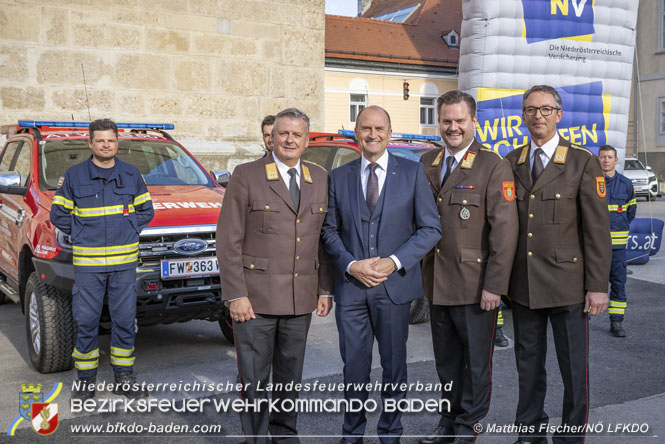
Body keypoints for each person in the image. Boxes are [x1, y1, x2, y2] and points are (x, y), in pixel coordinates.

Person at [322, 105, 441, 444]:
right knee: (354, 369)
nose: (372, 134)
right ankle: (352, 435)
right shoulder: (340, 177)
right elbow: (329, 231)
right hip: (352, 290)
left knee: (394, 368)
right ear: (355, 133)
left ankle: (390, 434)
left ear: (389, 133)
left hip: (395, 289)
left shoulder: (412, 173)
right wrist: (350, 264)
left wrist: (394, 261)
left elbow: (431, 229)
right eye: (365, 128)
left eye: (379, 128)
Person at [216, 108, 333, 444]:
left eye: (297, 134)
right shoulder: (247, 175)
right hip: (255, 300)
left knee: (289, 377)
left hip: (300, 299)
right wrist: (236, 295)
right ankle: (254, 438)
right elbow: (228, 240)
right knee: (254, 377)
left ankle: (284, 436)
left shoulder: (319, 177)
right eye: (284, 133)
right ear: (272, 137)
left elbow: (323, 240)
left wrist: (325, 289)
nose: (290, 140)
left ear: (307, 140)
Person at [504, 85, 611, 444]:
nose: (538, 116)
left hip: (568, 286)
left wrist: (597, 286)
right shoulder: (512, 160)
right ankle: (529, 434)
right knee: (528, 369)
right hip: (524, 288)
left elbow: (597, 231)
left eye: (546, 109)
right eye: (531, 109)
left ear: (559, 115)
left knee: (573, 371)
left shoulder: (581, 161)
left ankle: (570, 437)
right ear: (522, 115)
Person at [419, 90, 518, 444]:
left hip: (477, 286)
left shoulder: (493, 165)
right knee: (446, 364)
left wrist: (496, 286)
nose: (453, 127)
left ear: (473, 121)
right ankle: (447, 424)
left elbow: (505, 232)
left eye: (460, 120)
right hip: (437, 284)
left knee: (476, 366)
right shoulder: (427, 162)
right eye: (446, 120)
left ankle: (468, 429)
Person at [50, 118, 154, 400]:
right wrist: (82, 231)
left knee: (124, 319)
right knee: (86, 321)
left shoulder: (132, 174)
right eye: (100, 140)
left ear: (117, 142)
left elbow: (146, 210)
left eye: (110, 140)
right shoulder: (74, 176)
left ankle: (124, 377)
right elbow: (58, 214)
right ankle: (85, 381)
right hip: (88, 266)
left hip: (123, 266)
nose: (106, 145)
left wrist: (130, 228)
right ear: (90, 143)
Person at [598, 144, 636, 337]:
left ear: (616, 160)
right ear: (599, 159)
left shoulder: (626, 184)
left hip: (618, 249)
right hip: (595, 248)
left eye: (609, 157)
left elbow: (631, 213)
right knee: (589, 284)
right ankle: (583, 321)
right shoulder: (590, 182)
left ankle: (617, 322)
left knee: (619, 284)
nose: (606, 160)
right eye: (603, 157)